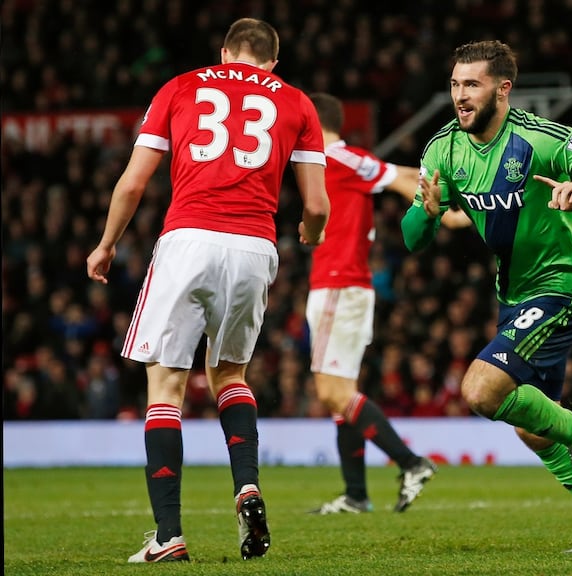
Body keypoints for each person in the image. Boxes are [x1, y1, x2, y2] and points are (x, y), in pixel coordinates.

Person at [86, 18, 330, 563]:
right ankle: (246, 486)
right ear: (273, 60)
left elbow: (133, 181)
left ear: (224, 53)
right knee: (231, 376)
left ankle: (168, 535)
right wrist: (310, 234)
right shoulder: (297, 103)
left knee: (166, 386)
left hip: (188, 239)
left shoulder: (179, 87)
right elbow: (315, 206)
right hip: (254, 248)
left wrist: (106, 245)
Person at [400, 40, 572, 553]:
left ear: (502, 89)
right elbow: (411, 238)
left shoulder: (539, 139)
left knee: (480, 390)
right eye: (454, 84)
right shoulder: (443, 149)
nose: (460, 96)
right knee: (531, 428)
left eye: (472, 84)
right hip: (514, 294)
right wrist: (425, 210)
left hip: (565, 286)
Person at [304, 92, 470, 515]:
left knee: (332, 392)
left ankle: (411, 463)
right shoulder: (344, 161)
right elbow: (405, 174)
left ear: (310, 119)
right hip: (348, 285)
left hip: (338, 284)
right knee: (345, 394)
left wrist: (450, 209)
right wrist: (448, 207)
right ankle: (357, 494)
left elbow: (403, 175)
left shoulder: (331, 159)